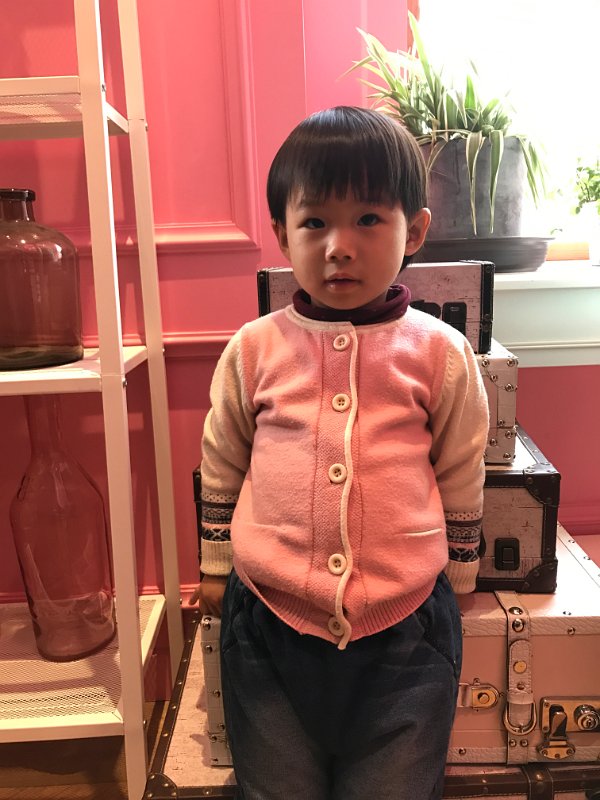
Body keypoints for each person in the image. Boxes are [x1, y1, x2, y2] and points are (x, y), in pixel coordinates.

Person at [192, 105, 489, 800]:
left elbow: (461, 464)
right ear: (282, 234)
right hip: (268, 624)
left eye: (368, 219)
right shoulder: (254, 348)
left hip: (407, 630)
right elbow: (223, 458)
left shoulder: (440, 351)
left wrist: (463, 568)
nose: (339, 246)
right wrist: (214, 562)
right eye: (315, 222)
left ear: (415, 231)